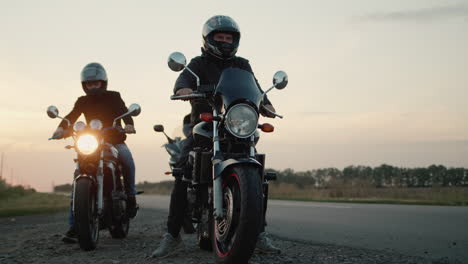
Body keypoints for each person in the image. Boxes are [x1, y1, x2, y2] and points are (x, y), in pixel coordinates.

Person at [152, 15, 280, 258]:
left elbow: (257, 90)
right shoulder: (197, 63)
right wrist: (184, 90)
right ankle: (172, 235)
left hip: (235, 124)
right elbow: (183, 81)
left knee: (259, 173)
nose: (224, 41)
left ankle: (258, 232)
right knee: (182, 169)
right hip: (204, 124)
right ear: (208, 39)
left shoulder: (242, 64)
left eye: (228, 38)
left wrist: (267, 104)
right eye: (219, 37)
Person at [51, 62, 138, 243]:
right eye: (89, 84)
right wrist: (60, 129)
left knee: (127, 159)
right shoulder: (82, 101)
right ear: (84, 85)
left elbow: (124, 111)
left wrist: (129, 124)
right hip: (91, 142)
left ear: (103, 82)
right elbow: (71, 116)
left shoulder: (114, 96)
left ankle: (130, 196)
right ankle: (75, 225)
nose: (92, 87)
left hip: (114, 141)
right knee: (78, 176)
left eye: (96, 83)